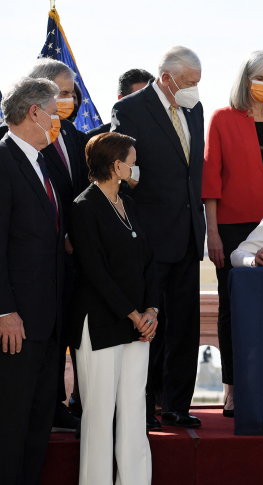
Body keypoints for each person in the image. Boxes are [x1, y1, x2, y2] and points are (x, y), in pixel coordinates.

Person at [111, 45, 205, 430]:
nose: (194, 90)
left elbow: (190, 172)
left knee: (185, 326)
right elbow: (123, 172)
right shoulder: (131, 109)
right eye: (188, 82)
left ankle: (177, 405)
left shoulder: (194, 109)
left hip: (187, 235)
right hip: (150, 236)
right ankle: (142, 406)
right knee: (149, 327)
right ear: (166, 79)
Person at [203, 50, 263, 417]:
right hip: (231, 229)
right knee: (233, 309)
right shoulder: (222, 119)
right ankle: (233, 388)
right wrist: (213, 234)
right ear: (245, 80)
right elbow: (211, 179)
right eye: (260, 77)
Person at [70, 132, 158, 485]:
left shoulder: (129, 204)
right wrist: (133, 314)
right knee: (100, 416)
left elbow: (150, 262)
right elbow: (95, 271)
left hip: (138, 326)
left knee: (134, 413)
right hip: (101, 324)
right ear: (115, 165)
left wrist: (151, 311)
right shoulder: (83, 206)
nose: (136, 167)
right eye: (132, 160)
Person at [12, 59, 90, 433]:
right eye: (57, 97)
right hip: (23, 299)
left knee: (64, 331)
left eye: (71, 94)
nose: (67, 102)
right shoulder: (7, 152)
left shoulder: (62, 146)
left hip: (62, 282)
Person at [0, 77, 66, 484]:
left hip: (49, 318)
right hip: (17, 322)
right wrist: (5, 309)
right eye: (54, 113)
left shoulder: (43, 162)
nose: (57, 121)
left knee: (39, 420)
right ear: (33, 113)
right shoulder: (3, 160)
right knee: (11, 423)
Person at [88, 69, 154, 137]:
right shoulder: (95, 138)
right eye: (139, 97)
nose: (148, 102)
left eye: (151, 97)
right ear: (121, 99)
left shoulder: (163, 128)